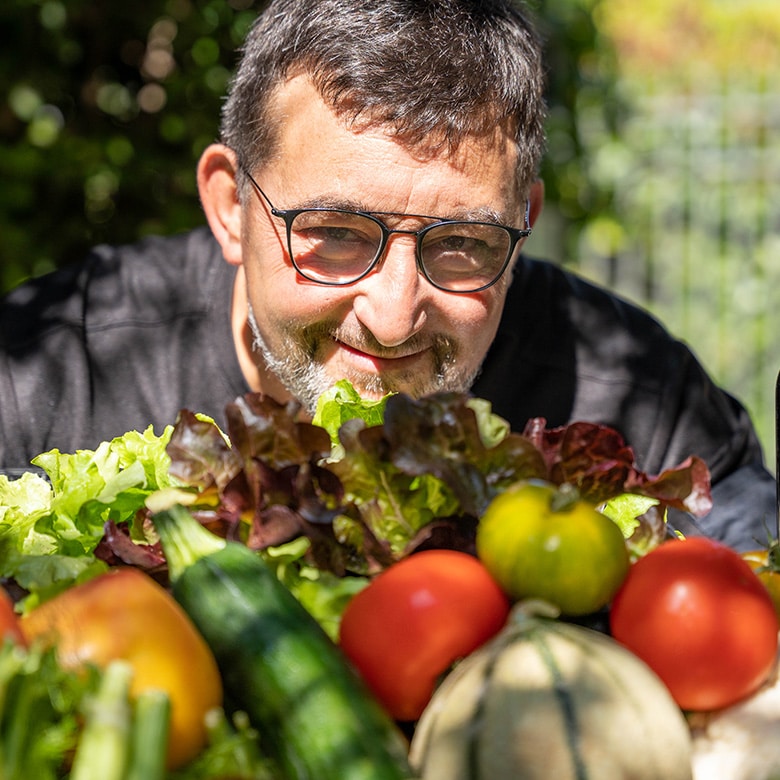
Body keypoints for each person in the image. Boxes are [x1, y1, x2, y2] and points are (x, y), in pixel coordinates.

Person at [0, 0, 774, 550]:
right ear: (232, 207)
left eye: (462, 243)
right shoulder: (42, 381)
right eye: (334, 234)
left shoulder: (641, 407)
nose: (394, 316)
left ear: (525, 219)